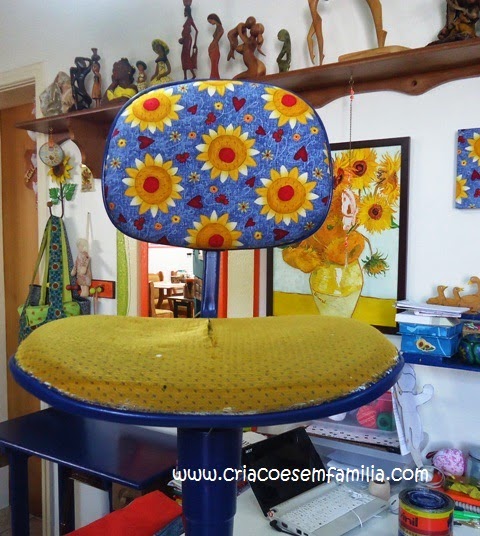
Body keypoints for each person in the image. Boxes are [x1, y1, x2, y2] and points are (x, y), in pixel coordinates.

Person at [179, 2, 198, 80]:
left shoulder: (190, 19)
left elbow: (197, 31)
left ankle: (193, 75)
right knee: (183, 56)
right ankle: (185, 77)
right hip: (185, 40)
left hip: (188, 40)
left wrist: (195, 43)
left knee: (186, 57)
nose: (184, 13)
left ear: (187, 12)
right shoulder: (188, 20)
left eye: (185, 11)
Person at [307, 0, 324, 65]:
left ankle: (321, 59)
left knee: (319, 38)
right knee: (308, 37)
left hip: (316, 19)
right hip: (315, 20)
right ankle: (316, 55)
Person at [207, 13, 224, 79]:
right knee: (214, 65)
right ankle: (214, 78)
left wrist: (211, 47)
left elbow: (216, 40)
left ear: (213, 19)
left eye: (210, 21)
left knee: (214, 65)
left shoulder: (220, 28)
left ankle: (214, 78)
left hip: (215, 48)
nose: (210, 23)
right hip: (214, 48)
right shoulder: (218, 27)